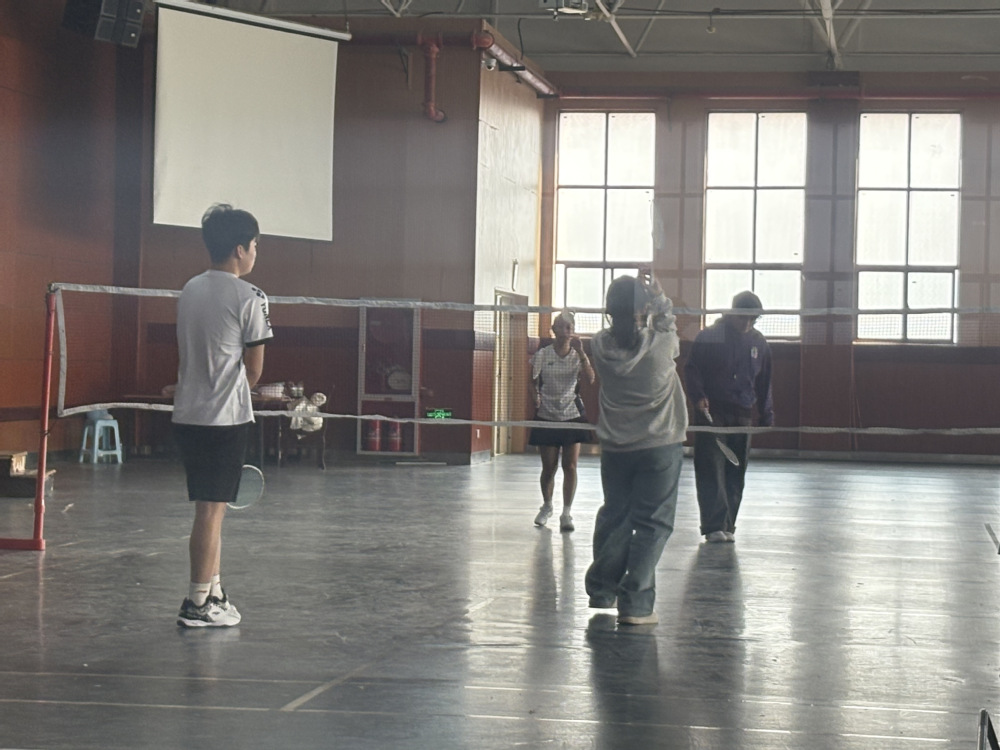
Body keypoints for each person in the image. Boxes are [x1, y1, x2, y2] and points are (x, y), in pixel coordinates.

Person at [172, 204, 273, 627]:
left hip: (187, 415)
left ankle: (213, 591)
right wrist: (232, 394)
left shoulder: (190, 289)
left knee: (212, 509)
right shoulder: (251, 297)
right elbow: (254, 370)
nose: (255, 253)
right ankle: (197, 603)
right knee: (210, 512)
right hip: (224, 419)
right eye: (255, 245)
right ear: (239, 249)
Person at [584, 274, 688, 626]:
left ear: (609, 310)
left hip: (615, 448)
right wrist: (658, 295)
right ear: (642, 309)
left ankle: (602, 589)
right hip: (660, 446)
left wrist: (645, 303)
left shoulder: (599, 346)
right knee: (652, 524)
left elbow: (646, 324)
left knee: (615, 514)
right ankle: (637, 605)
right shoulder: (661, 345)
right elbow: (667, 322)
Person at [684, 290, 773, 544]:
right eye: (743, 317)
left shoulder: (759, 342)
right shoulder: (712, 336)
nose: (747, 323)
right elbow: (692, 368)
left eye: (752, 319)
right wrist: (698, 396)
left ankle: (728, 524)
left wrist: (766, 413)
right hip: (712, 412)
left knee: (736, 469)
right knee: (711, 467)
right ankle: (713, 525)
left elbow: (765, 381)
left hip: (742, 412)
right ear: (732, 312)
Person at [528, 311, 596, 532]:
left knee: (570, 466)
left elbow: (591, 378)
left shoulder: (577, 356)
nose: (567, 331)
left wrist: (583, 353)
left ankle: (566, 513)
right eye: (563, 326)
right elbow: (531, 381)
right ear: (554, 330)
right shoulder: (543, 354)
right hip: (547, 414)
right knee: (549, 467)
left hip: (572, 414)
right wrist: (535, 397)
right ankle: (547, 506)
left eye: (570, 327)